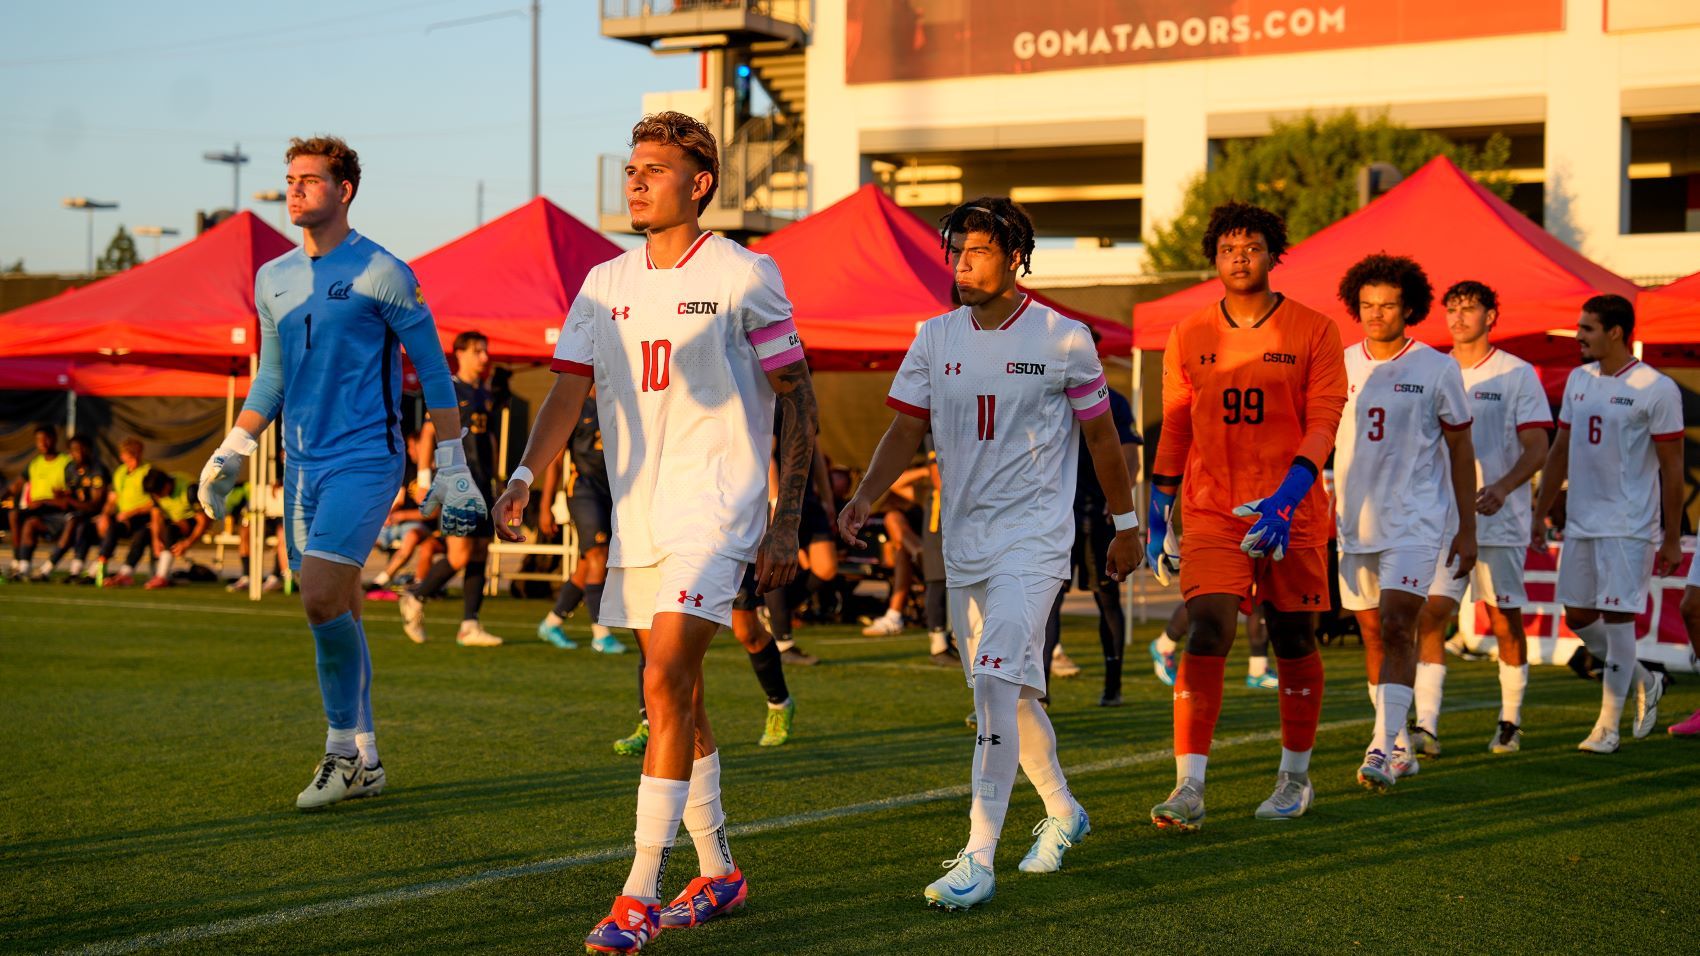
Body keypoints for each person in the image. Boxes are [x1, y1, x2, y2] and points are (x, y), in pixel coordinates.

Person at [491, 111, 818, 953]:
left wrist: (786, 519)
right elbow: (567, 390)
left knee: (663, 680)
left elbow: (799, 396)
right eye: (631, 168)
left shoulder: (746, 273)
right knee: (683, 693)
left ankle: (637, 893)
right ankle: (719, 871)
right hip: (637, 515)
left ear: (699, 184)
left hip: (717, 509)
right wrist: (524, 474)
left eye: (654, 169)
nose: (634, 181)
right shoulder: (603, 282)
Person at [839, 196, 1138, 910]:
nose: (961, 265)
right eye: (957, 253)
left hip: (1034, 541)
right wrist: (864, 497)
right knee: (1008, 696)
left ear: (1015, 260)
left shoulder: (1064, 337)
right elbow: (903, 431)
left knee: (996, 687)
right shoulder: (933, 336)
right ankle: (1063, 809)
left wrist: (1127, 525)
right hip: (964, 542)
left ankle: (978, 856)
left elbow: (1102, 437)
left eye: (976, 252)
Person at [194, 135, 483, 811]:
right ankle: (369, 757)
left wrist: (452, 459)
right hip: (301, 465)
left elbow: (433, 369)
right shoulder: (272, 277)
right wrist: (232, 448)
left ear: (344, 189)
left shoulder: (384, 271)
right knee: (340, 605)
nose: (294, 189)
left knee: (320, 596)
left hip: (366, 457)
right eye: (290, 178)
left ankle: (341, 755)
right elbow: (272, 377)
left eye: (310, 179)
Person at [1145, 201, 1346, 828]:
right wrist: (1158, 511)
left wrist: (1285, 500)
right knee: (1208, 627)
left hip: (1294, 510)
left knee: (1292, 639)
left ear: (1272, 255)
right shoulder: (1188, 332)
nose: (1239, 257)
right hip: (1214, 509)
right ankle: (1188, 786)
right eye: (1228, 248)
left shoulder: (1315, 329)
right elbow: (1176, 424)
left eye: (1252, 247)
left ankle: (1294, 778)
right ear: (1214, 257)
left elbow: (1324, 424)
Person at [1333, 253, 1476, 790]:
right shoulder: (1340, 364)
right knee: (1372, 633)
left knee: (1398, 625)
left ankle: (1380, 745)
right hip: (1354, 521)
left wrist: (1467, 527)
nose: (1376, 313)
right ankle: (1399, 747)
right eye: (1367, 304)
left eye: (1388, 305)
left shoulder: (1437, 368)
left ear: (1409, 308)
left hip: (1416, 520)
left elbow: (1461, 449)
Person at [1531, 294, 1683, 753]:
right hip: (1582, 521)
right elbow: (1560, 451)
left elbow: (1672, 467)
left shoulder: (1656, 387)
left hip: (1629, 525)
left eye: (1587, 328)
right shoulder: (1579, 380)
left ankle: (1607, 727)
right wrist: (1539, 511)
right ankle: (1645, 679)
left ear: (1615, 332)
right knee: (1578, 616)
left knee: (1618, 619)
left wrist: (1671, 537)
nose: (1578, 336)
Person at [1412, 281, 1551, 755]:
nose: (1457, 317)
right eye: (1451, 308)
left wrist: (1504, 487)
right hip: (1443, 521)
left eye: (1468, 308)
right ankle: (1426, 726)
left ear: (1490, 316)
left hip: (1500, 521)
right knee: (1432, 614)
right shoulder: (1433, 368)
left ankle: (1510, 721)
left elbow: (1538, 447)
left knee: (1504, 619)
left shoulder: (1516, 373)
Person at [399, 331, 504, 647]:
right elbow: (428, 433)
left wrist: (498, 481)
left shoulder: (484, 392)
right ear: (460, 353)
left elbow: (490, 439)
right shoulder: (449, 388)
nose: (484, 357)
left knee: (481, 549)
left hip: (482, 482)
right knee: (459, 555)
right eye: (477, 351)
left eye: (485, 351)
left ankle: (470, 625)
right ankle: (416, 596)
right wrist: (424, 479)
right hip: (458, 479)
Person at [1065, 378, 1141, 705]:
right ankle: (1038, 694)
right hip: (1057, 514)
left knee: (1107, 598)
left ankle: (1113, 686)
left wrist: (1120, 502)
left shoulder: (1113, 399)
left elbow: (1131, 456)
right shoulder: (1047, 390)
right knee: (1045, 602)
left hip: (1099, 514)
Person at [536, 388, 626, 654]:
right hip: (584, 491)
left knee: (588, 562)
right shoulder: (576, 407)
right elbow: (555, 459)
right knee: (598, 555)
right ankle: (601, 633)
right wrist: (545, 506)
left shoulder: (621, 403)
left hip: (612, 491)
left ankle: (552, 622)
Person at [7, 425, 71, 580]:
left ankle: (21, 565)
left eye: (46, 438)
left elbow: (72, 493)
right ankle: (20, 565)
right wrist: (5, 495)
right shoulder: (35, 463)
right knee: (16, 516)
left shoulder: (66, 463)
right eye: (38, 439)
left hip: (56, 511)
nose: (42, 443)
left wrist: (51, 499)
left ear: (54, 439)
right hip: (37, 510)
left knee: (27, 520)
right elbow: (17, 485)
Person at [44, 435, 109, 580]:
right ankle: (23, 567)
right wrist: (63, 495)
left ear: (89, 450)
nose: (77, 452)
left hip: (95, 516)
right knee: (31, 522)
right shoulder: (70, 468)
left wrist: (69, 500)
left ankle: (50, 569)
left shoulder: (97, 470)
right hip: (74, 514)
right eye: (73, 449)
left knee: (78, 524)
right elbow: (73, 493)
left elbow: (94, 505)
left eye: (80, 449)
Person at [93, 438, 155, 587]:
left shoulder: (148, 471)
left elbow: (155, 503)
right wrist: (104, 515)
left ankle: (125, 573)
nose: (134, 458)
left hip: (144, 517)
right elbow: (112, 499)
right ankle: (101, 565)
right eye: (130, 455)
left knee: (142, 535)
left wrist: (132, 512)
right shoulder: (120, 472)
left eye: (137, 454)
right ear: (123, 456)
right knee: (111, 527)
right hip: (124, 518)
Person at [140, 469, 210, 589]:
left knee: (170, 530)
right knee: (145, 532)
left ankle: (161, 576)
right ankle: (125, 573)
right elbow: (156, 517)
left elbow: (204, 521)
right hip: (173, 520)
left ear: (166, 486)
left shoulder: (190, 490)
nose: (157, 497)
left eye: (159, 493)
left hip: (193, 521)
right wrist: (156, 540)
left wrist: (187, 543)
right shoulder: (156, 492)